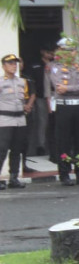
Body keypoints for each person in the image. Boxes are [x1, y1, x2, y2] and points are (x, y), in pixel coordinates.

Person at [48, 38, 79, 185]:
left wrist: (68, 88)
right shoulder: (55, 67)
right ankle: (65, 174)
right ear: (60, 51)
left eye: (72, 50)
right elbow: (58, 88)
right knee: (64, 142)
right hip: (64, 107)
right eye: (66, 51)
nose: (69, 54)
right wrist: (74, 89)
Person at [0, 54, 30, 189]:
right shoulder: (1, 82)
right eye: (10, 63)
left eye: (15, 63)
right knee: (2, 150)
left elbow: (25, 99)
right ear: (3, 66)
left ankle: (14, 178)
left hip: (20, 119)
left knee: (17, 150)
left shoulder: (22, 82)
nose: (14, 66)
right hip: (5, 120)